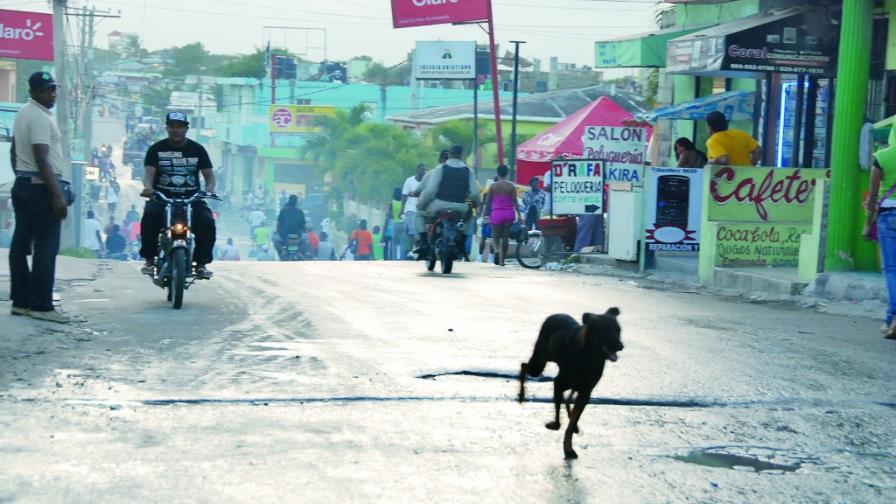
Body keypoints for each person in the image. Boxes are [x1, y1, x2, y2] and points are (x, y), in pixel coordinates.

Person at [8, 71, 70, 322]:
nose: (51, 94)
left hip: (24, 183)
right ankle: (41, 306)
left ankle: (21, 302)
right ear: (33, 92)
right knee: (45, 247)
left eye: (53, 89)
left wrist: (22, 178)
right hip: (41, 187)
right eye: (45, 90)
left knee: (20, 245)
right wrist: (56, 195)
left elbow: (14, 152)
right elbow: (41, 157)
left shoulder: (24, 113)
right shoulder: (40, 118)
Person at [139, 111, 217, 279]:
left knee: (207, 222)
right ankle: (149, 261)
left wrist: (210, 188)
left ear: (186, 129)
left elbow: (209, 176)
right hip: (162, 199)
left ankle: (201, 264)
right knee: (149, 218)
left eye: (180, 126)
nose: (176, 130)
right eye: (172, 126)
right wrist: (148, 188)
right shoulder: (156, 149)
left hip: (191, 199)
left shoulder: (198, 149)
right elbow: (148, 175)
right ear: (167, 128)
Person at [414, 145, 481, 255]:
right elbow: (474, 192)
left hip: (439, 205)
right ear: (461, 156)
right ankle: (461, 243)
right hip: (460, 207)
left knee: (419, 214)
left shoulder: (440, 169)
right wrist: (477, 204)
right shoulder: (468, 171)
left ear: (450, 155)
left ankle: (424, 242)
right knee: (470, 217)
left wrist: (420, 205)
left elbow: (430, 191)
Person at [863, 130, 896, 340]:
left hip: (889, 216)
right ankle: (890, 319)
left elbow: (873, 194)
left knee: (892, 269)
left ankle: (892, 319)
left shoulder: (882, 156)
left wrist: (868, 225)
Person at [484, 164, 522, 266]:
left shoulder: (493, 186)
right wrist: (520, 215)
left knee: (495, 236)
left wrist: (484, 214)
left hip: (496, 213)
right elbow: (515, 201)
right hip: (509, 213)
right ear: (507, 173)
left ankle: (496, 250)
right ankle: (502, 261)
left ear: (497, 173)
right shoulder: (511, 186)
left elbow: (488, 202)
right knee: (505, 237)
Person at [401, 163, 426, 258]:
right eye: (422, 170)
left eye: (424, 170)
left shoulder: (426, 182)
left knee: (420, 231)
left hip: (422, 210)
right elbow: (404, 196)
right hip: (410, 210)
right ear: (417, 170)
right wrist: (401, 210)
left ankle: (418, 249)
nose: (423, 172)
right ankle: (414, 249)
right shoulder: (409, 181)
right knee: (413, 231)